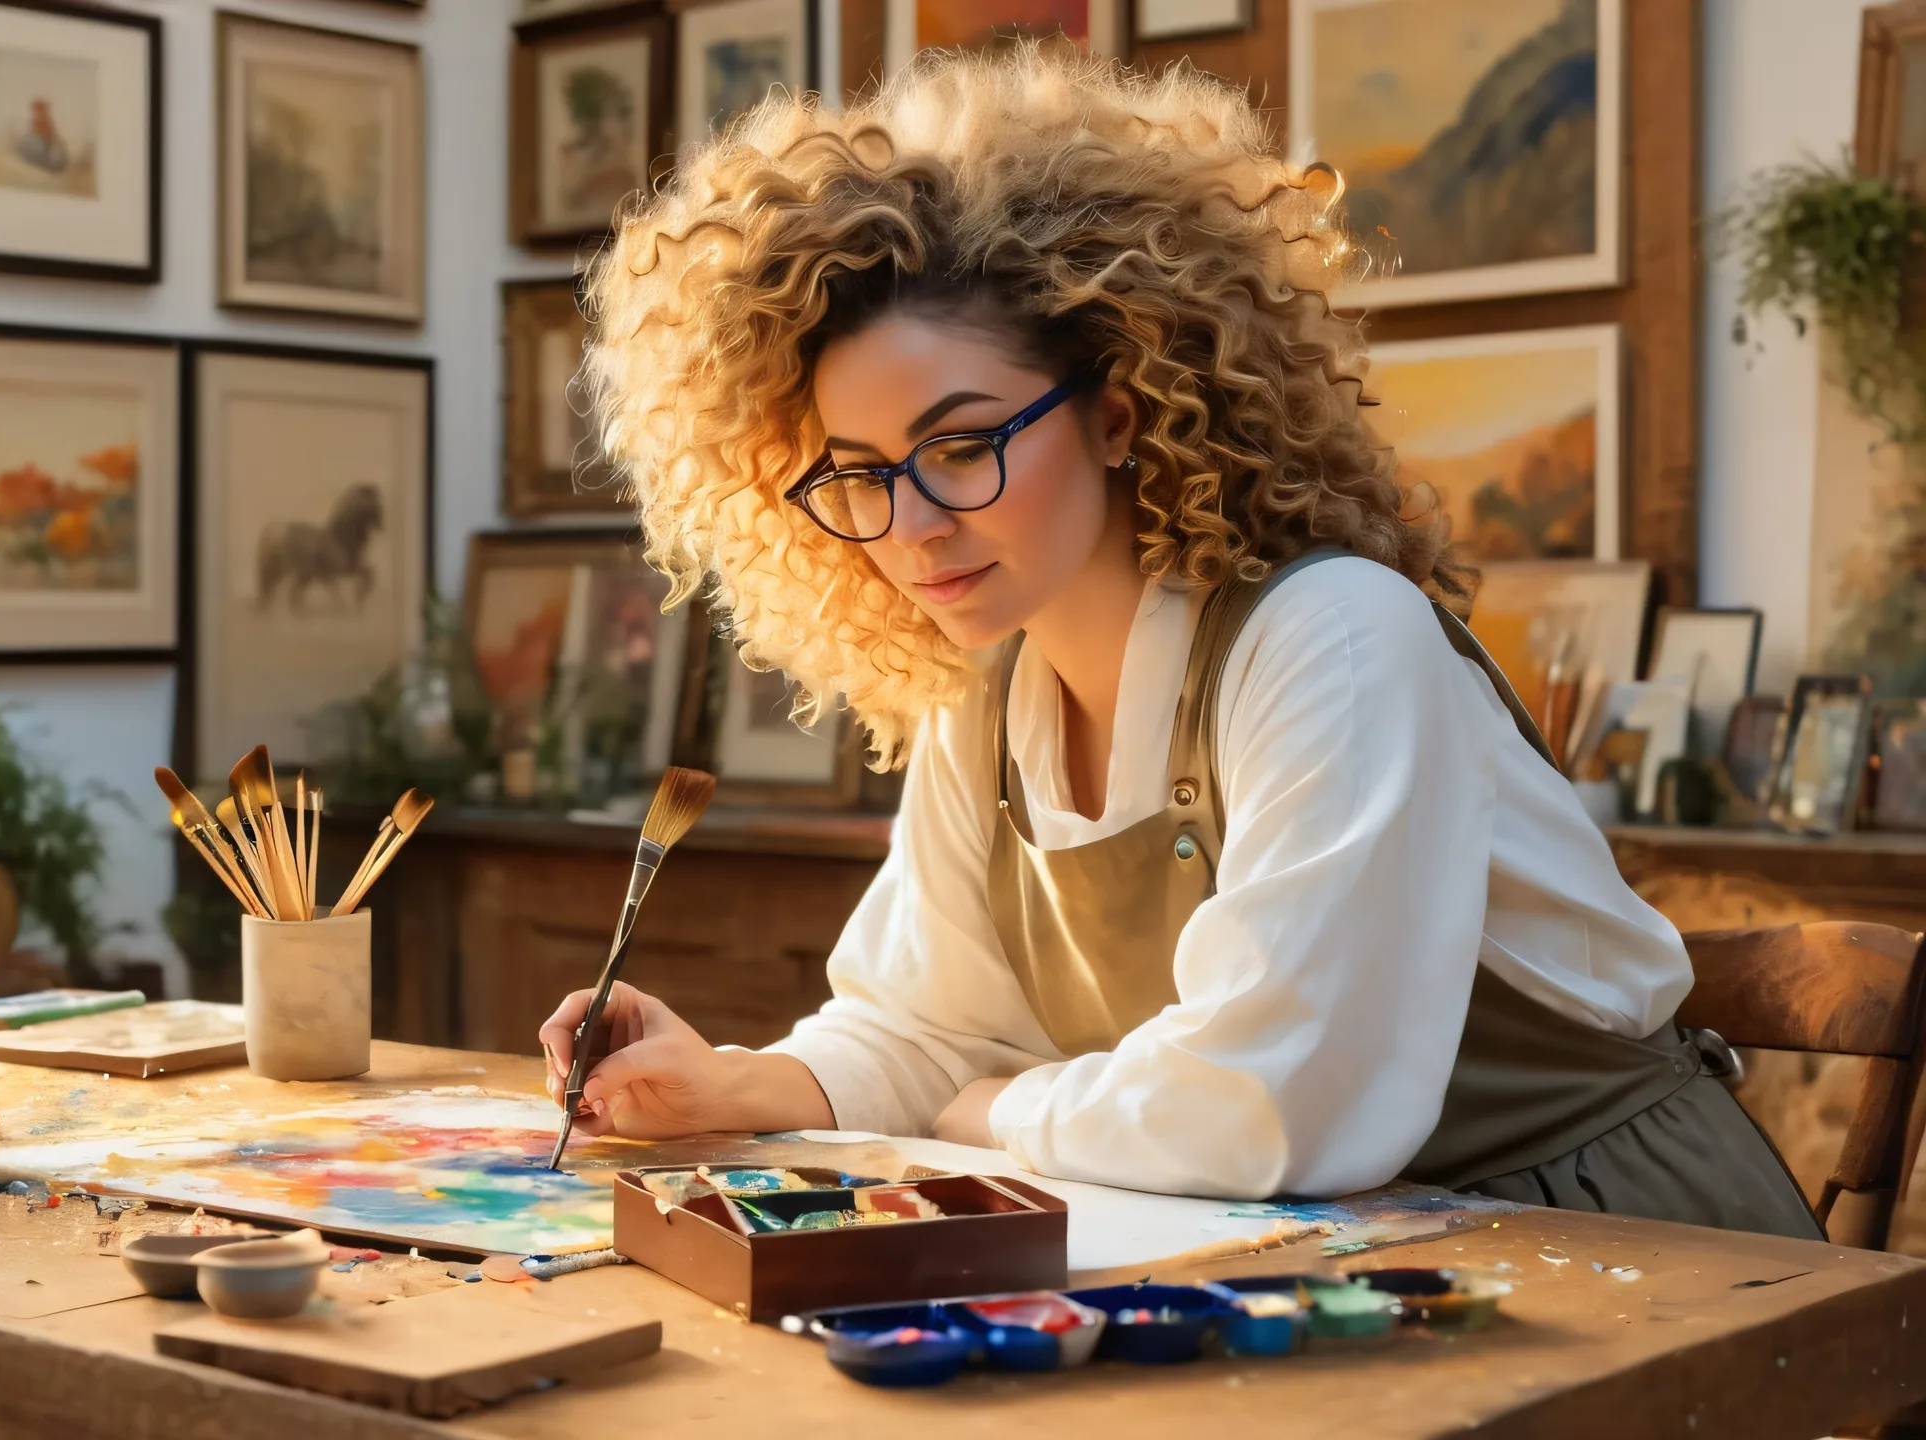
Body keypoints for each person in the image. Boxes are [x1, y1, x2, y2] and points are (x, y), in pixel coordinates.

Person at [538, 47, 1816, 1236]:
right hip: (1310, 1247)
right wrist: (739, 1083)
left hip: (1610, 1245)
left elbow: (1276, 1107)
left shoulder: (1333, 637)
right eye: (860, 475)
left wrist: (996, 1113)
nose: (910, 526)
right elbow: (929, 1031)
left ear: (1118, 411)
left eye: (962, 446)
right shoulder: (987, 699)